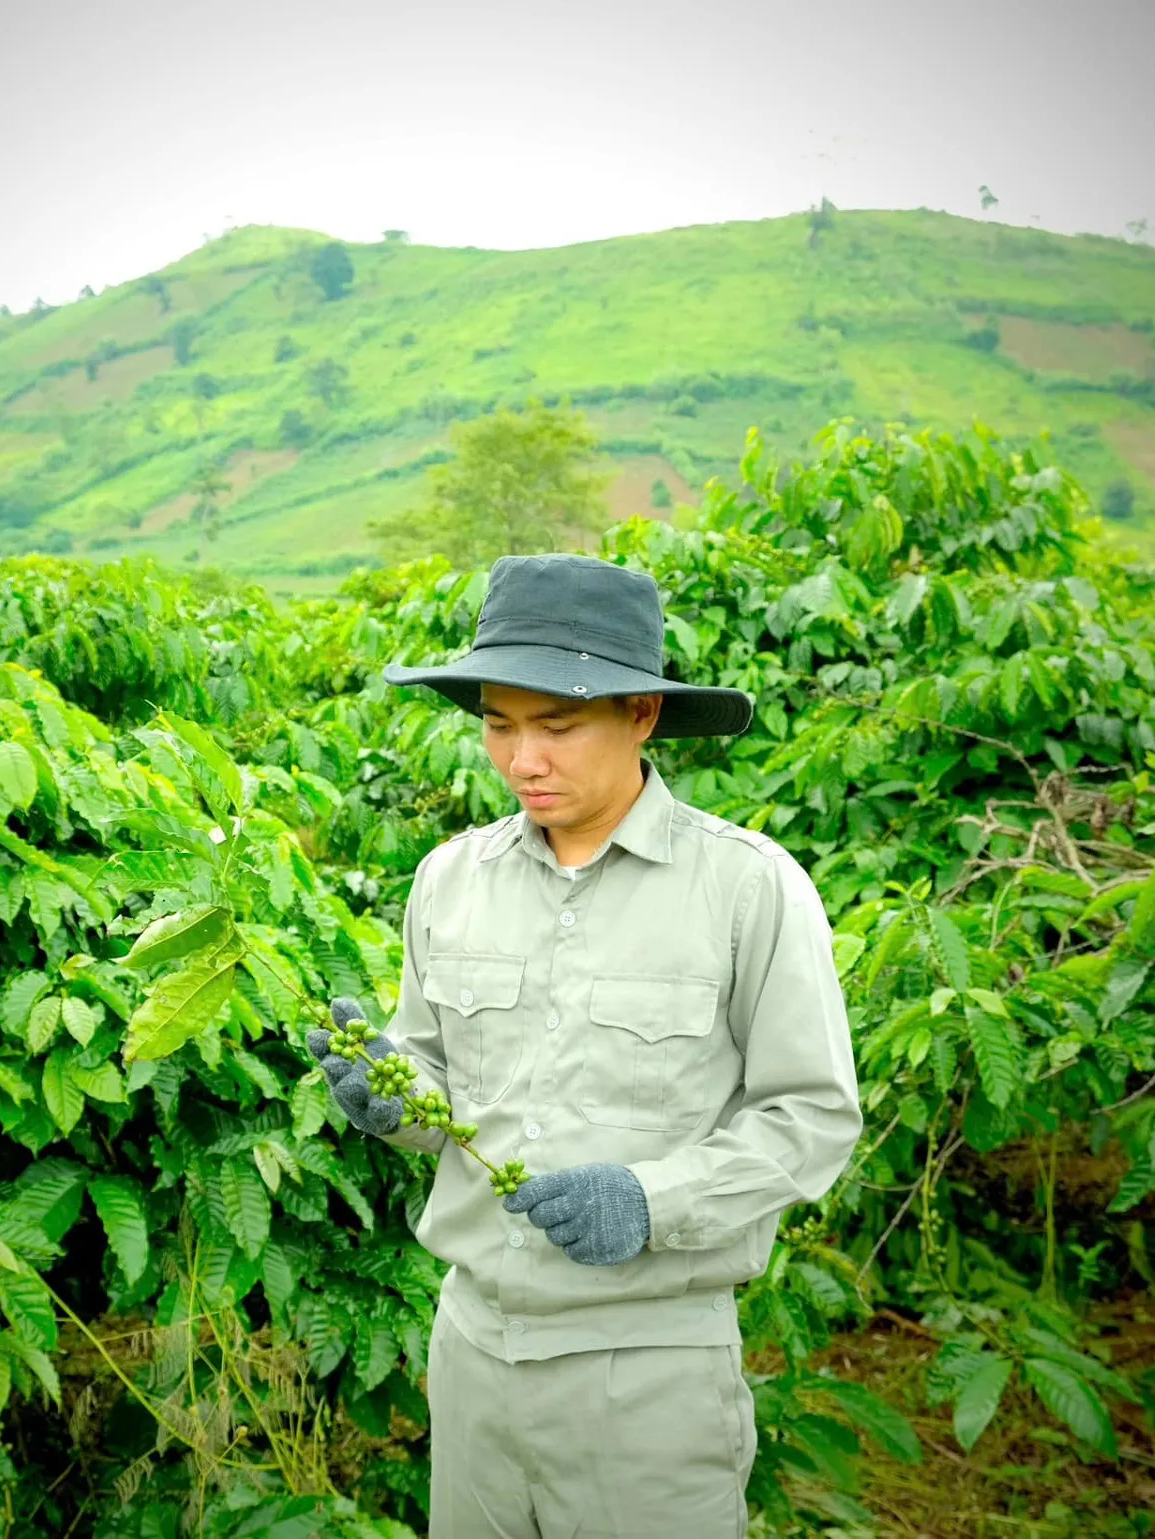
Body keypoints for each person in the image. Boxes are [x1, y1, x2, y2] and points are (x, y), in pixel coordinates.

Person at [306, 552, 863, 1538]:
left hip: (646, 1373)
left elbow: (811, 1119)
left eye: (557, 727)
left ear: (640, 716)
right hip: (474, 1348)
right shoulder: (450, 880)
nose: (525, 760)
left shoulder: (748, 889)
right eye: (499, 725)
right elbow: (438, 1081)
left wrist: (650, 1202)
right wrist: (395, 1104)